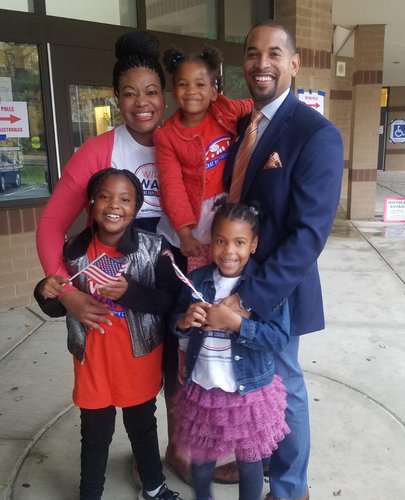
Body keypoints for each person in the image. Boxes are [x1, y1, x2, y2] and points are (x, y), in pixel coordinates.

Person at [222, 21, 344, 500]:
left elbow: (309, 235)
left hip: (276, 291)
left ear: (294, 64)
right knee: (251, 379)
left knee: (283, 383)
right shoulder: (243, 126)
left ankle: (291, 488)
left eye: (274, 54)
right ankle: (260, 458)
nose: (261, 63)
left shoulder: (317, 135)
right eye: (253, 54)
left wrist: (249, 298)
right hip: (235, 274)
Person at [33, 168, 182, 500]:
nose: (114, 205)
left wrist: (129, 293)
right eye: (105, 196)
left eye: (125, 199)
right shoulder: (73, 253)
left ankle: (154, 487)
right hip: (93, 362)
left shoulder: (154, 248)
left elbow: (169, 301)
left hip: (137, 360)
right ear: (92, 202)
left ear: (136, 206)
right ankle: (91, 494)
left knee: (143, 427)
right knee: (95, 434)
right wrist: (44, 291)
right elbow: (60, 307)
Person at [36, 30, 167, 331]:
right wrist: (67, 293)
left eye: (151, 91)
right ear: (117, 97)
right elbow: (52, 224)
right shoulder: (96, 152)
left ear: (164, 95)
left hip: (166, 289)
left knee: (172, 375)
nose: (141, 103)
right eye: (129, 93)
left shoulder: (182, 144)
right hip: (109, 294)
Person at [171, 200, 290, 500]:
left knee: (249, 462)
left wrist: (236, 323)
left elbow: (277, 338)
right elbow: (177, 323)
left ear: (254, 244)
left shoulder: (264, 286)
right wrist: (185, 321)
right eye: (221, 241)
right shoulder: (197, 280)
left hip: (248, 392)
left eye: (239, 242)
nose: (229, 251)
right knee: (201, 460)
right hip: (204, 386)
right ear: (212, 243)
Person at [154, 45, 252, 273]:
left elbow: (254, 107)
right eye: (183, 84)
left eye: (200, 84)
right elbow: (172, 187)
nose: (191, 91)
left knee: (233, 266)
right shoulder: (167, 136)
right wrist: (185, 233)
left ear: (213, 91)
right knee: (201, 273)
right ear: (173, 91)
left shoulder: (224, 109)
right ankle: (202, 306)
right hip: (196, 215)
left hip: (231, 207)